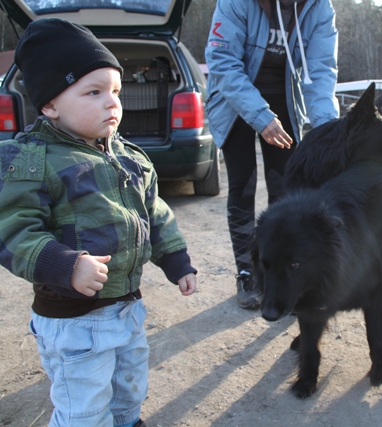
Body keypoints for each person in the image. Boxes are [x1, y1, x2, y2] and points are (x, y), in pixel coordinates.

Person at [0, 19, 198, 427]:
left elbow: (154, 213)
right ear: (50, 105)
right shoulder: (34, 160)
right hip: (74, 322)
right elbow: (14, 231)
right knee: (84, 411)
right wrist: (66, 265)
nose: (112, 103)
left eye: (115, 91)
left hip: (127, 308)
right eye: (93, 92)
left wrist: (177, 261)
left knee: (129, 390)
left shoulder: (129, 157)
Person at [205, 0, 339, 309]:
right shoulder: (236, 3)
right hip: (234, 97)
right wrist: (261, 117)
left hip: (284, 96)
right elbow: (222, 60)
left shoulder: (320, 8)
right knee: (243, 183)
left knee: (285, 188)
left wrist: (324, 133)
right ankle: (246, 271)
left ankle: (281, 275)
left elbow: (321, 72)